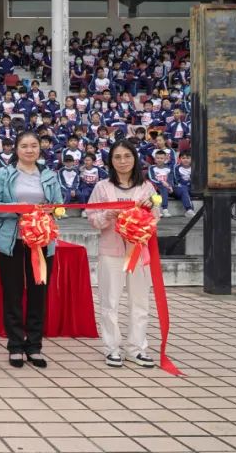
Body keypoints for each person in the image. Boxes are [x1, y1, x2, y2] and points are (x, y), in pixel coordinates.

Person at [0, 130, 64, 369]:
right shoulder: (3, 174)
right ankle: (15, 345)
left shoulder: (50, 175)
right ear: (16, 149)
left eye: (34, 146)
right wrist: (19, 208)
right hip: (11, 241)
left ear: (40, 149)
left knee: (37, 294)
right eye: (24, 146)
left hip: (41, 241)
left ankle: (34, 345)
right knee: (13, 293)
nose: (29, 150)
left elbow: (60, 207)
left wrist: (51, 210)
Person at [86, 140, 159, 369]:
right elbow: (92, 220)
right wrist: (109, 214)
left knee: (140, 301)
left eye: (127, 156)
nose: (122, 161)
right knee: (110, 301)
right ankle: (112, 348)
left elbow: (155, 218)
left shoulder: (146, 187)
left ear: (135, 158)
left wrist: (144, 217)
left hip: (139, 251)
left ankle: (137, 347)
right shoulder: (102, 187)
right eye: (117, 157)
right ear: (110, 161)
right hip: (111, 251)